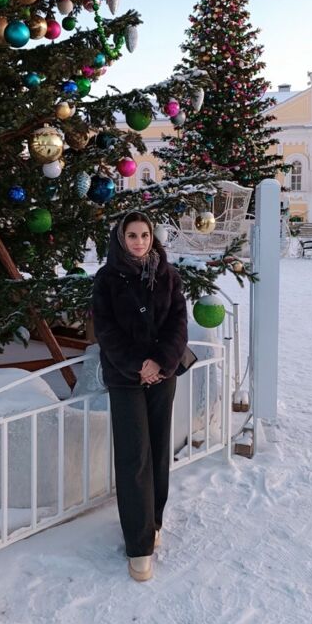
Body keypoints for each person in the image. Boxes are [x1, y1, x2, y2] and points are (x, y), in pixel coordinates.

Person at [92, 211, 188, 581]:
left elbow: (178, 324)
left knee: (158, 451)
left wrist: (160, 362)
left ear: (152, 238)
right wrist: (138, 365)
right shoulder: (107, 279)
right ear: (121, 239)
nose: (139, 242)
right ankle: (139, 544)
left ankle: (154, 520)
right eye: (132, 235)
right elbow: (106, 330)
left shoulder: (168, 275)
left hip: (162, 374)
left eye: (144, 235)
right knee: (134, 457)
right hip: (125, 377)